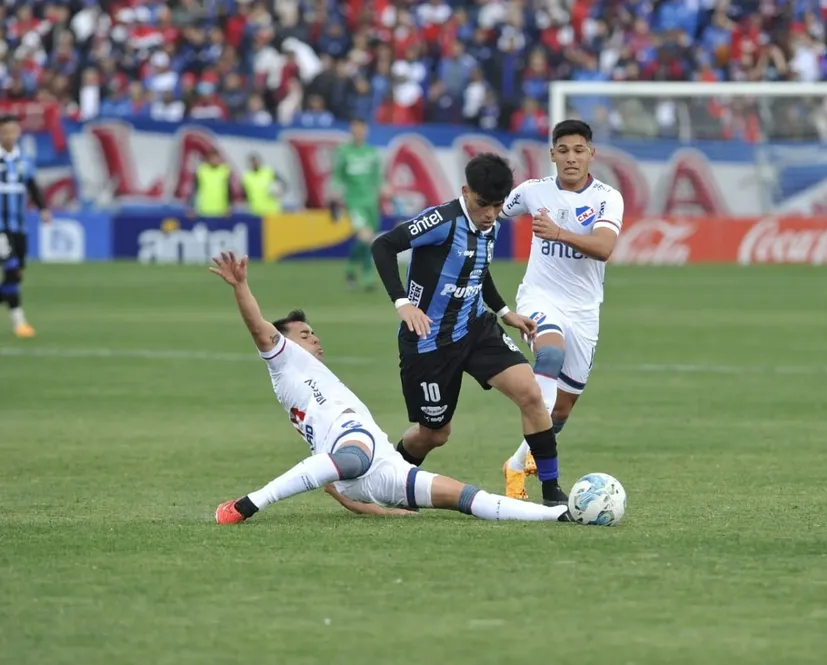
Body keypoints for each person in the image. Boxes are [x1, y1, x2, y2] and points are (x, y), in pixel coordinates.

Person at [208, 251, 572, 524]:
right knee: (356, 454)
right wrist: (241, 286)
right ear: (284, 341)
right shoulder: (283, 361)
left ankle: (555, 517)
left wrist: (381, 513)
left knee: (463, 496)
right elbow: (259, 327)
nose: (314, 338)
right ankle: (250, 503)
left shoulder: (316, 380)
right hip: (351, 445)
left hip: (383, 470)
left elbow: (340, 491)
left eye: (314, 332)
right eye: (305, 334)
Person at [370, 153, 569, 506]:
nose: (490, 213)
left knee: (531, 394)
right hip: (428, 342)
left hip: (476, 329)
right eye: (482, 204)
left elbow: (479, 270)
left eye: (498, 205)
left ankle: (553, 494)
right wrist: (403, 303)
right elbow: (383, 245)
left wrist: (505, 311)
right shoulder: (440, 221)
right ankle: (386, 484)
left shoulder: (491, 225)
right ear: (465, 191)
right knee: (434, 434)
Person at [498, 120, 625, 500]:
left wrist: (558, 233)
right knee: (549, 353)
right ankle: (549, 484)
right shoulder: (532, 192)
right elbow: (491, 212)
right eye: (563, 150)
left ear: (591, 154)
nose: (571, 158)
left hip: (584, 309)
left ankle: (518, 462)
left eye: (579, 150)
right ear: (552, 154)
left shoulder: (607, 197)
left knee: (563, 411)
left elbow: (604, 248)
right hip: (539, 298)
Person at [0, 115, 51, 339]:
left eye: (13, 131)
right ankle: (19, 322)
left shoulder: (24, 160)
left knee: (17, 274)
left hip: (19, 226)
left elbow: (32, 185)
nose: (10, 136)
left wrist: (43, 209)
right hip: (0, 228)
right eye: (5, 132)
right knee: (11, 267)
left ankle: (19, 321)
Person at [332, 118, 387, 291]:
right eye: (355, 129)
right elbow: (337, 176)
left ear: (365, 131)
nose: (358, 132)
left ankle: (350, 267)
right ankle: (368, 277)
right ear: (351, 131)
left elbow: (378, 177)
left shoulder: (371, 152)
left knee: (368, 239)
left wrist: (385, 188)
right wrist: (334, 192)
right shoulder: (344, 152)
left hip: (371, 202)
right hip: (354, 202)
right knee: (365, 237)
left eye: (361, 129)